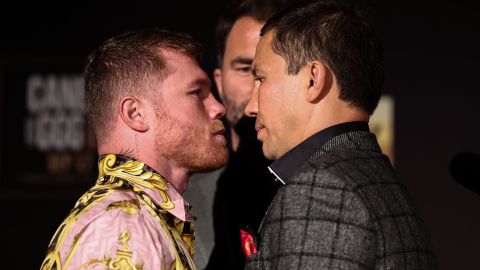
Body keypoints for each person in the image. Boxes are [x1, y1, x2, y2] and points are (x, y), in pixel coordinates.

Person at [243, 0, 438, 269]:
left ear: (313, 79)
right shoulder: (381, 182)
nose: (250, 107)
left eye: (261, 79)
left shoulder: (319, 190)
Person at [40, 28, 228, 270]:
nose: (217, 107)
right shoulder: (121, 225)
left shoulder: (135, 216)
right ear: (135, 113)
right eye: (196, 93)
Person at [183, 1, 295, 269]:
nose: (257, 86)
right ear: (219, 81)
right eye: (246, 69)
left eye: (269, 71)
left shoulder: (322, 187)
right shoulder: (179, 194)